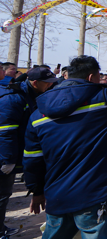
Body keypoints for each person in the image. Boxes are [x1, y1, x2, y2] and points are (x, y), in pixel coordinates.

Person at [23, 52, 107, 239]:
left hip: (56, 196)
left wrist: (37, 191)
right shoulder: (105, 99)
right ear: (91, 77)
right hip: (94, 194)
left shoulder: (38, 113)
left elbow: (33, 159)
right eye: (100, 77)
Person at [0, 66, 59, 238]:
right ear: (35, 83)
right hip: (5, 156)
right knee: (2, 194)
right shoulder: (13, 99)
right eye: (47, 83)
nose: (50, 86)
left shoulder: (33, 95)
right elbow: (5, 132)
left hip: (15, 153)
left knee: (4, 194)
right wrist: (7, 160)